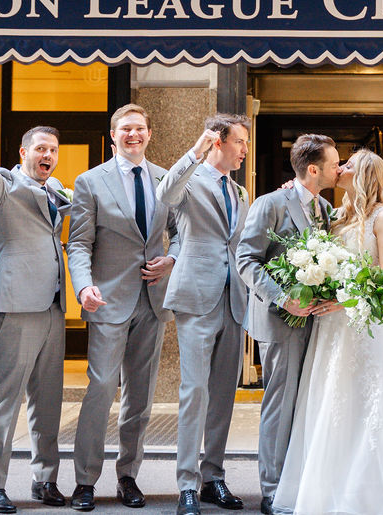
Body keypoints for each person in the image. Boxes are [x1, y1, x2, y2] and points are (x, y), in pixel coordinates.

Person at [274, 150, 383, 515]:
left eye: (348, 165)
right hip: (332, 328)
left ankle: (370, 491)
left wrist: (344, 301)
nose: (340, 168)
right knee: (333, 402)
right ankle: (332, 488)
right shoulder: (336, 215)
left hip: (365, 323)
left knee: (369, 404)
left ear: (364, 174)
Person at [66, 104, 180, 512]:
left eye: (140, 128)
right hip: (108, 300)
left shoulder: (166, 179)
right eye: (125, 129)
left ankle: (128, 476)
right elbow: (79, 243)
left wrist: (172, 259)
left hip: (153, 301)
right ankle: (85, 481)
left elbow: (181, 233)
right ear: (113, 135)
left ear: (149, 134)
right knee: (100, 389)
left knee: (140, 397)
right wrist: (83, 286)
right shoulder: (90, 181)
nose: (133, 135)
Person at [0, 84, 71, 513]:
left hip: (54, 308)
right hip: (16, 308)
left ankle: (45, 479)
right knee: (7, 400)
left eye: (54, 150)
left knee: (49, 402)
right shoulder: (4, 185)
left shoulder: (56, 188)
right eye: (41, 149)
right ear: (24, 152)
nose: (48, 155)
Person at [235, 133, 339, 515]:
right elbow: (246, 259)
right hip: (280, 322)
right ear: (313, 169)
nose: (338, 169)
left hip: (318, 323)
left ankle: (299, 484)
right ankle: (273, 490)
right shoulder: (270, 204)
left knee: (306, 403)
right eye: (334, 164)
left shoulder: (326, 208)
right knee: (279, 406)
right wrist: (283, 298)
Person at [155, 114, 251, 515]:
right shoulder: (189, 180)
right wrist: (194, 152)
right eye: (240, 142)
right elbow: (164, 194)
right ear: (218, 142)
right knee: (195, 392)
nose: (244, 150)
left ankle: (213, 477)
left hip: (233, 299)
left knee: (223, 394)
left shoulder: (241, 192)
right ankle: (187, 485)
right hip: (196, 296)